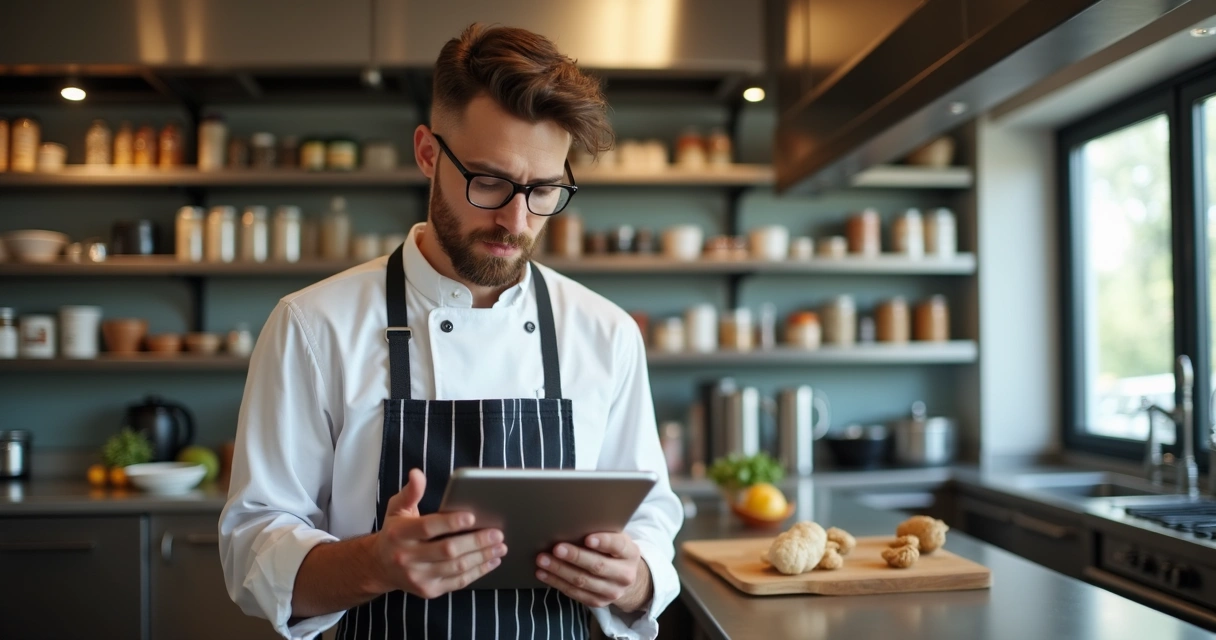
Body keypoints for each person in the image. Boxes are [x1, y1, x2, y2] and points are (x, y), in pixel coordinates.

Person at [219, 23, 684, 640]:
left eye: (543, 189)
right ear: (428, 153)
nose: (515, 221)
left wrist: (634, 577)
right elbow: (252, 549)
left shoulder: (605, 333)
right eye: (488, 181)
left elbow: (650, 523)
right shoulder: (313, 326)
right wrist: (375, 562)